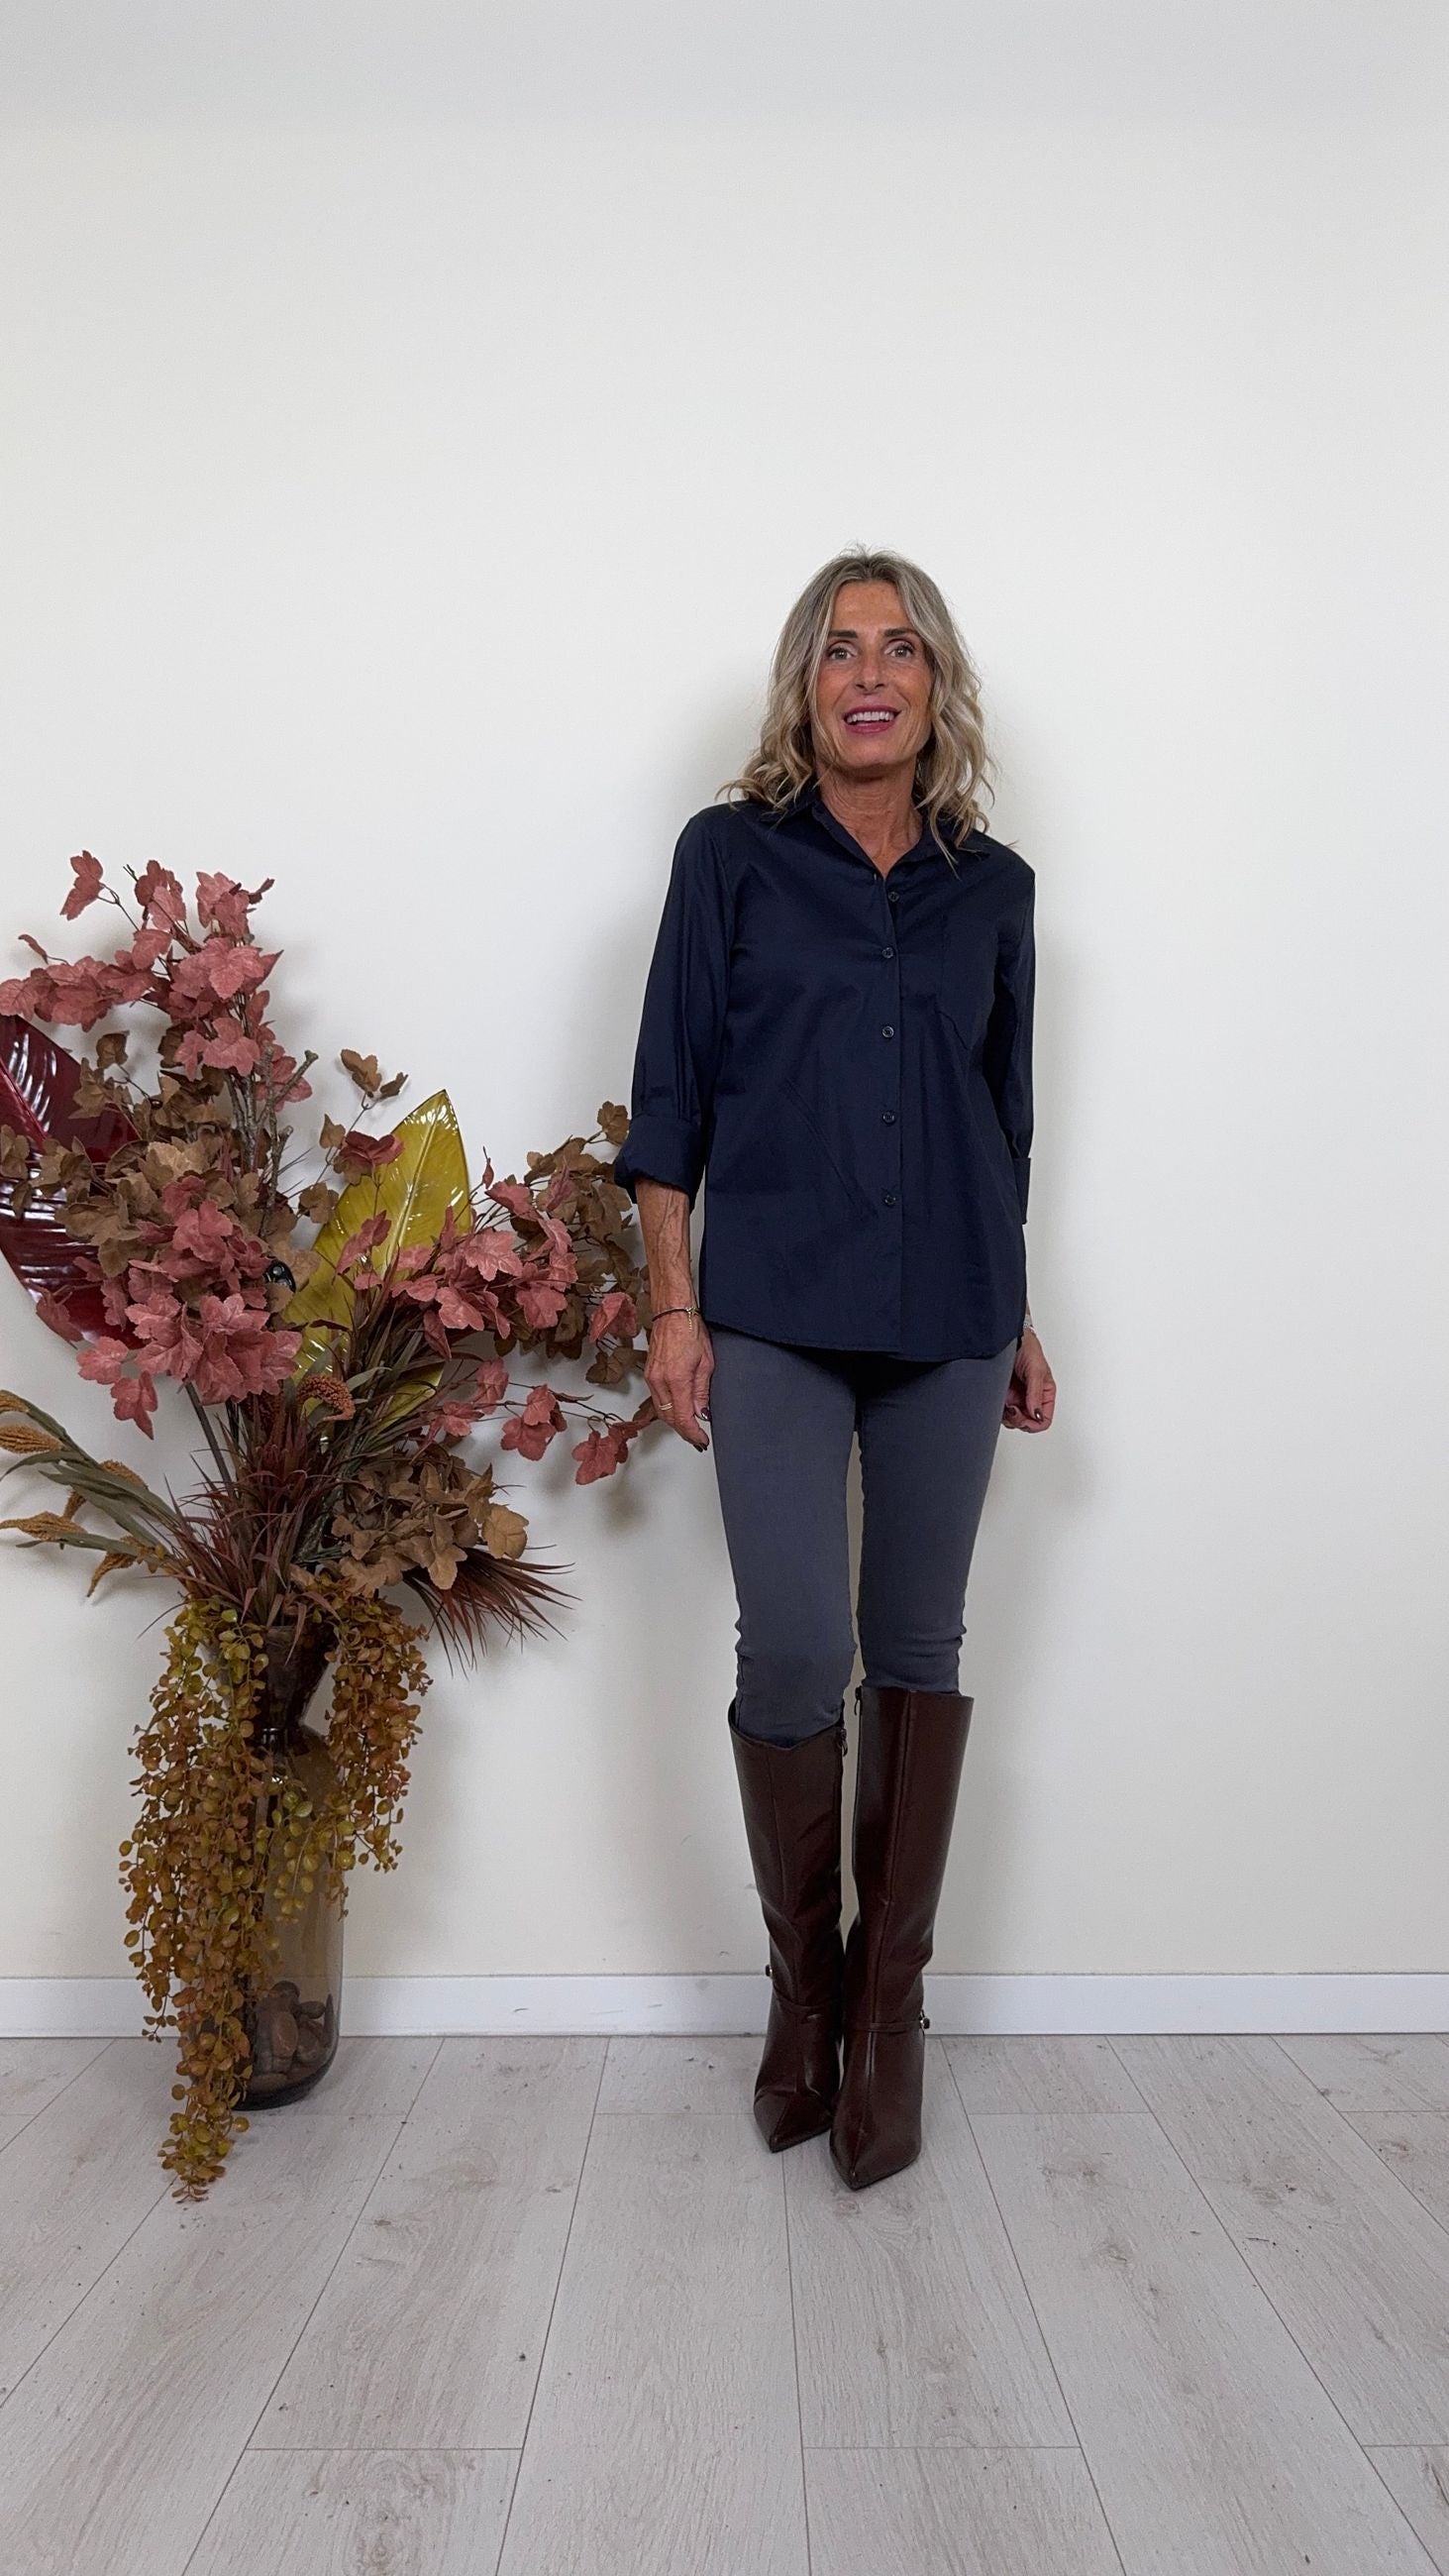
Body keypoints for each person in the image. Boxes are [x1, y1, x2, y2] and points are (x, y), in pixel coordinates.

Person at [611, 548, 1057, 2189]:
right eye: (842, 650)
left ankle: (892, 2011)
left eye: (902, 649)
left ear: (938, 687)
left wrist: (1015, 1308)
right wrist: (674, 1306)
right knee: (797, 1647)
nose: (873, 675)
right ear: (805, 688)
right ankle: (805, 1997)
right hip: (777, 1312)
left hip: (952, 1313)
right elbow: (671, 1097)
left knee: (920, 1649)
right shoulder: (728, 857)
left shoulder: (994, 889)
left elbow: (1001, 1123)